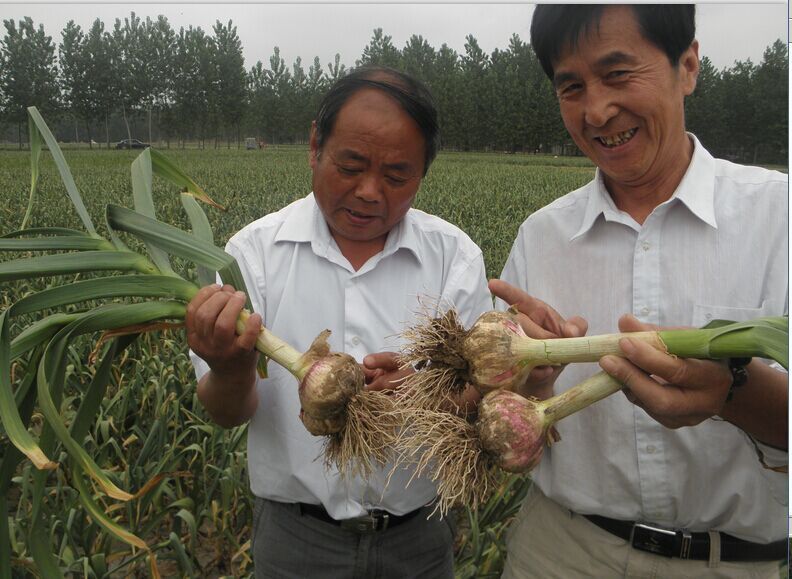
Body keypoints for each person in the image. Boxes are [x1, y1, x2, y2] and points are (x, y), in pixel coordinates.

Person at [489, 5, 788, 578]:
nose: (596, 111)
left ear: (688, 66)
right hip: (559, 551)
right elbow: (506, 428)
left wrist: (731, 393)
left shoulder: (780, 216)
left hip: (729, 564)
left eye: (618, 74)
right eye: (571, 87)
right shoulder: (541, 236)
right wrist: (531, 384)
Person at [186, 66, 492, 578]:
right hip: (295, 539)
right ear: (315, 146)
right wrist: (230, 370)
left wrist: (425, 396)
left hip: (418, 538)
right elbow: (226, 413)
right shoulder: (251, 257)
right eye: (351, 166)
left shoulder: (454, 258)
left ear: (423, 172)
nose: (370, 191)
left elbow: (479, 394)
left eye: (397, 176)